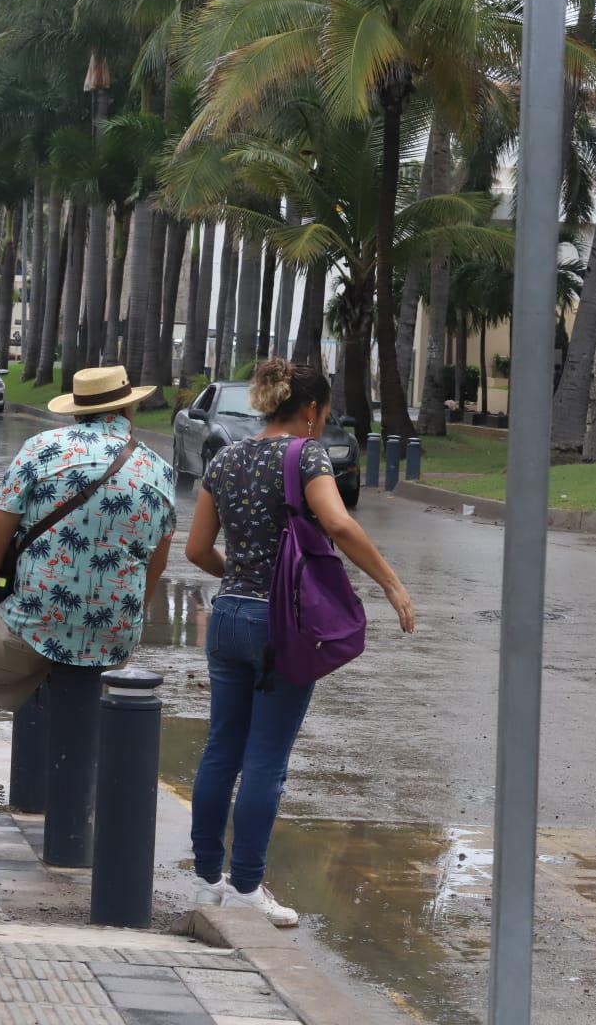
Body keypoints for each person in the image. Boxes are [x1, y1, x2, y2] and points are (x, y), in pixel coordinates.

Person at [0, 366, 178, 846]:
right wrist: (127, 619)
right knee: (91, 694)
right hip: (114, 631)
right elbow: (155, 559)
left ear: (78, 410)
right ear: (128, 408)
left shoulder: (43, 450)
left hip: (36, 618)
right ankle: (91, 829)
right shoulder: (159, 468)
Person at [184, 359, 415, 926]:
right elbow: (337, 524)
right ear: (311, 412)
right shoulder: (305, 453)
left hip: (229, 616)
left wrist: (238, 581)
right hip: (279, 625)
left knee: (222, 749)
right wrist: (391, 583)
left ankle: (208, 881)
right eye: (327, 413)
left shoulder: (226, 457)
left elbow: (195, 549)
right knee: (266, 760)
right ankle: (245, 888)